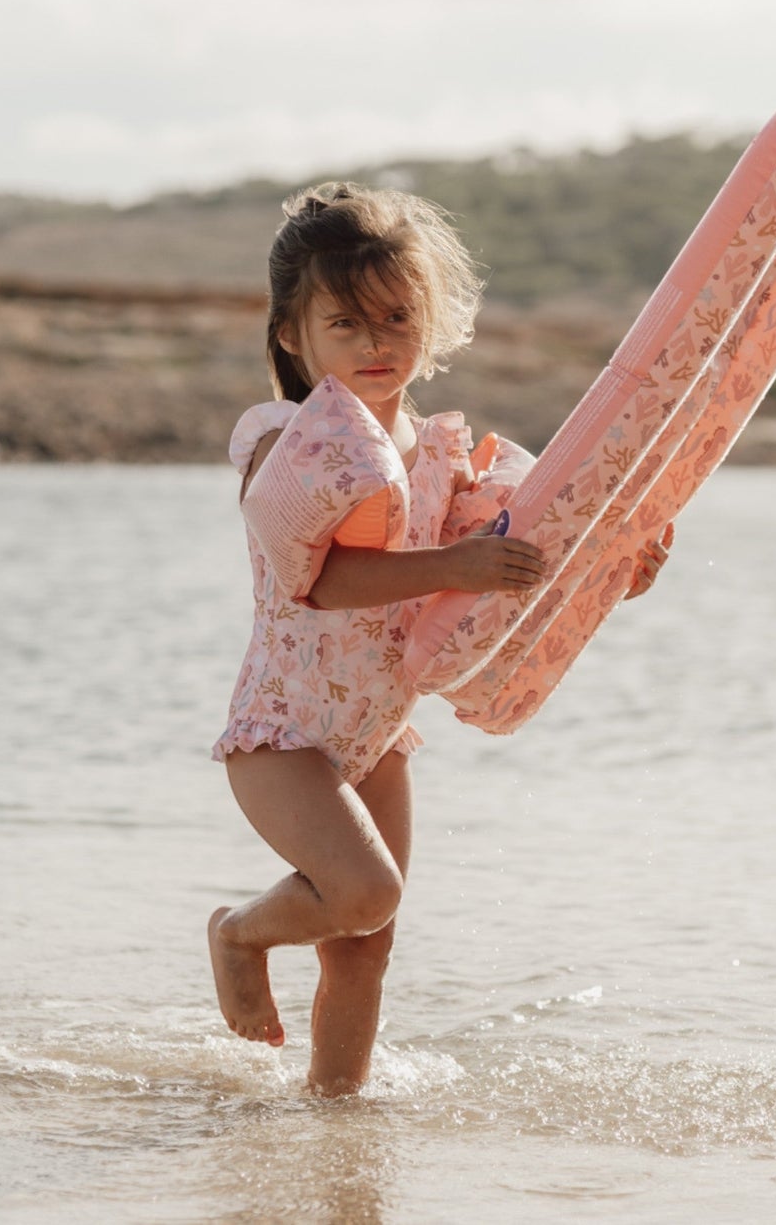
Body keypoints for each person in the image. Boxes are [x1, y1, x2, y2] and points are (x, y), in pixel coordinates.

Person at [208, 182, 671, 1096]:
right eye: (346, 324)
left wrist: (614, 571)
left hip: (379, 730)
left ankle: (334, 1118)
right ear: (292, 336)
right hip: (284, 731)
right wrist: (454, 565)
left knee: (366, 946)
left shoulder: (435, 452)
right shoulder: (281, 440)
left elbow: (508, 575)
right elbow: (321, 582)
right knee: (365, 891)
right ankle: (237, 933)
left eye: (396, 317)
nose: (377, 343)